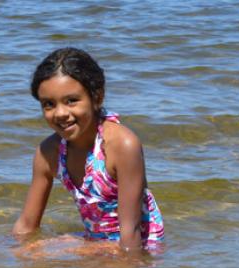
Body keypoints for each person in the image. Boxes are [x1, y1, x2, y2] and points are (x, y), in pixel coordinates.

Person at [12, 47, 164, 256]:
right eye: (49, 104)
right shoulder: (48, 152)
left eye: (71, 100)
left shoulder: (122, 146)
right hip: (95, 242)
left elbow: (132, 235)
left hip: (139, 247)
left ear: (97, 97)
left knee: (53, 249)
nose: (61, 113)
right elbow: (26, 225)